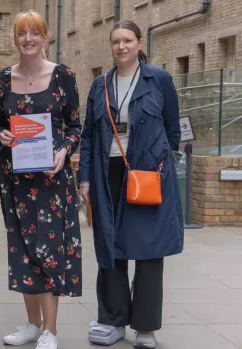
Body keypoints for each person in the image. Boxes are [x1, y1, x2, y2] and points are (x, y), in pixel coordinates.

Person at [79, 20, 183, 349]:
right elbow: (88, 136)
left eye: (127, 40)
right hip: (106, 173)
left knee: (149, 251)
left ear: (139, 43)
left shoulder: (159, 80)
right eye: (115, 41)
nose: (121, 46)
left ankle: (146, 328)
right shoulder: (101, 84)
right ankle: (112, 321)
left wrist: (166, 165)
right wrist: (84, 177)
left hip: (147, 174)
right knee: (111, 248)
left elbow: (172, 128)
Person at [0, 11, 83, 349]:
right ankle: (31, 324)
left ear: (46, 38)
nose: (27, 39)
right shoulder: (2, 80)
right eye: (21, 34)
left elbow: (75, 126)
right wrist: (0, 134)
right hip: (14, 178)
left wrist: (64, 152)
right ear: (15, 39)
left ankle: (51, 330)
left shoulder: (63, 77)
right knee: (22, 249)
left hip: (51, 178)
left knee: (49, 248)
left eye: (34, 33)